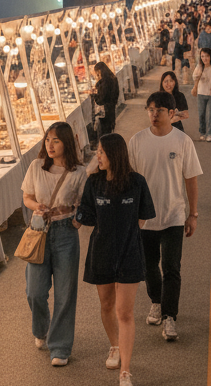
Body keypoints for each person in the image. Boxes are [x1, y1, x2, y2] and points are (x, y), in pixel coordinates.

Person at [75, 133, 155, 386]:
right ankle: (115, 346)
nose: (97, 156)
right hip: (102, 252)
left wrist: (128, 235)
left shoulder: (137, 182)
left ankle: (126, 371)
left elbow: (143, 216)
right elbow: (87, 215)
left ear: (114, 154)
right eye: (97, 151)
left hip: (130, 253)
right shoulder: (94, 182)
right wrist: (75, 216)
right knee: (107, 305)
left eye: (101, 152)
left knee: (125, 312)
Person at [127, 91, 203, 342]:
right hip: (144, 219)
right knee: (149, 267)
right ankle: (156, 302)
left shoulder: (182, 141)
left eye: (159, 110)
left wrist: (192, 214)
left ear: (172, 113)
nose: (154, 114)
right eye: (150, 110)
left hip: (173, 216)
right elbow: (129, 180)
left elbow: (190, 179)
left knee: (171, 268)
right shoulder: (137, 141)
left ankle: (170, 316)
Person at [21, 123, 88, 365]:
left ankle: (60, 347)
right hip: (39, 231)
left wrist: (77, 221)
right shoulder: (36, 166)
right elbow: (27, 197)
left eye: (56, 140)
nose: (50, 145)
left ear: (66, 143)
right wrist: (36, 206)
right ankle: (41, 328)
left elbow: (84, 203)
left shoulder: (79, 172)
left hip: (65, 233)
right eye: (48, 139)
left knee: (65, 293)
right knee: (35, 292)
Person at [191, 47, 211, 142]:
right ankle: (202, 132)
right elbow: (195, 77)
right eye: (202, 56)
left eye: (207, 56)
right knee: (201, 114)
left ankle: (210, 134)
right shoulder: (199, 67)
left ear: (210, 57)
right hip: (201, 92)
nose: (204, 58)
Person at [93, 61, 120, 138]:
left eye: (97, 72)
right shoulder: (113, 79)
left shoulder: (104, 83)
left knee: (104, 134)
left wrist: (94, 94)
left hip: (104, 113)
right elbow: (116, 94)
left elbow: (100, 100)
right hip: (111, 109)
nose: (96, 75)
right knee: (109, 131)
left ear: (100, 71)